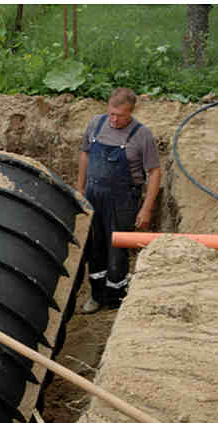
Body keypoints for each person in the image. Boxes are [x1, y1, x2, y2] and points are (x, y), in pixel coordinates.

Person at [76, 87, 161, 313]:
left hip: (123, 200)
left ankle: (115, 299)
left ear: (131, 112)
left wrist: (146, 209)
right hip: (94, 196)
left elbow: (154, 172)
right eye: (111, 113)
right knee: (95, 246)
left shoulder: (142, 135)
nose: (114, 119)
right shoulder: (96, 124)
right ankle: (96, 295)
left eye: (120, 115)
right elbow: (85, 154)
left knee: (117, 250)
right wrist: (80, 188)